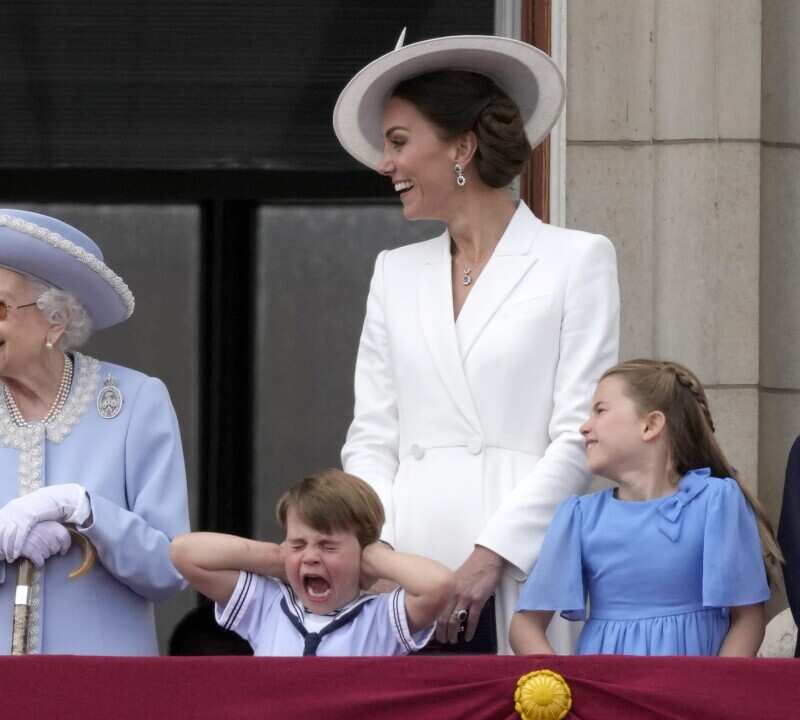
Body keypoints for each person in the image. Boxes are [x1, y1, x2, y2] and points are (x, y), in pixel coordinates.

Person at [331, 34, 620, 654]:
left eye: (399, 142)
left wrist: (494, 553)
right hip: (406, 574)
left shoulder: (576, 260)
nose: (386, 164)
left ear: (461, 147)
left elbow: (579, 433)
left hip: (521, 564)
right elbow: (372, 436)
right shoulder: (394, 272)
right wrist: (382, 551)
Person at [0, 209, 189, 655]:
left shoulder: (136, 403)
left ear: (56, 320)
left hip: (104, 679)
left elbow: (169, 570)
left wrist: (86, 511)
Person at [510, 360, 782, 656]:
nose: (584, 427)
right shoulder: (580, 517)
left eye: (600, 410)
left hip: (692, 682)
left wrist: (713, 684)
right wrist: (560, 682)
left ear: (650, 425)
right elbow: (525, 626)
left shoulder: (716, 502)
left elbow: (747, 619)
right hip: (608, 683)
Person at [169, 469, 452, 656]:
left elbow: (439, 585)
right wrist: (277, 559)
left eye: (328, 546)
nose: (311, 557)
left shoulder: (379, 619)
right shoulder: (268, 606)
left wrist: (374, 558)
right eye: (298, 544)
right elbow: (184, 552)